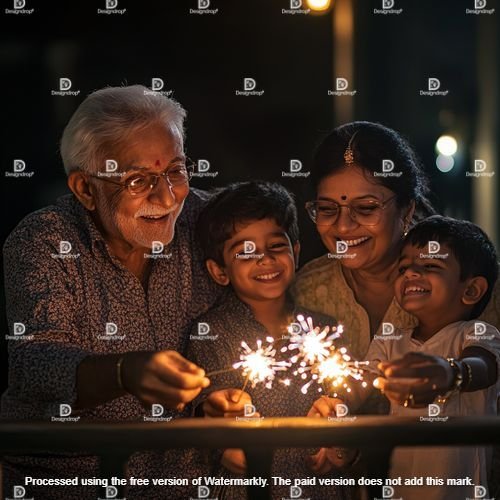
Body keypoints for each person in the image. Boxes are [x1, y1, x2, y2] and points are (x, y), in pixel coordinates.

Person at [1, 85, 224, 499]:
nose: (167, 196)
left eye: (175, 171)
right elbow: (34, 361)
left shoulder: (205, 220)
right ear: (85, 188)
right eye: (138, 180)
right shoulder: (44, 241)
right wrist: (126, 372)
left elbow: (269, 236)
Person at [308, 215, 500, 500]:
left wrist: (451, 373)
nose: (411, 274)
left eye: (430, 265)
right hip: (398, 486)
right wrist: (338, 404)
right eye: (404, 267)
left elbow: (484, 366)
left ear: (470, 290)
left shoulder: (476, 333)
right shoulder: (391, 339)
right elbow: (361, 380)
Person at [186, 181, 353, 500]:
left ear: (296, 252)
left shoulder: (324, 329)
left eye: (276, 246)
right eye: (245, 251)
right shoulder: (210, 332)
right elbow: (206, 416)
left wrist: (340, 440)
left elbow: (343, 411)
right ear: (219, 271)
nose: (264, 259)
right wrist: (226, 440)